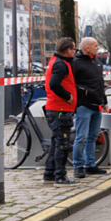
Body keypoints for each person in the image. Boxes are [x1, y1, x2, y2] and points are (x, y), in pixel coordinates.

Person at [72, 37, 109, 179]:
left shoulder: (97, 62)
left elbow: (100, 83)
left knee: (93, 136)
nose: (98, 48)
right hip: (83, 106)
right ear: (87, 48)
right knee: (81, 137)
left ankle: (90, 165)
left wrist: (104, 101)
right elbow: (71, 84)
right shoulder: (76, 62)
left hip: (97, 105)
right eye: (95, 46)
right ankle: (77, 166)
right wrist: (85, 92)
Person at [44, 37, 79, 186]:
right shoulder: (61, 64)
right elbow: (54, 83)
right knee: (62, 144)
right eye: (74, 49)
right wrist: (68, 97)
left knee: (56, 142)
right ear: (68, 50)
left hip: (56, 108)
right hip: (60, 109)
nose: (75, 51)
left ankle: (49, 173)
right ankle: (60, 177)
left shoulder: (56, 61)